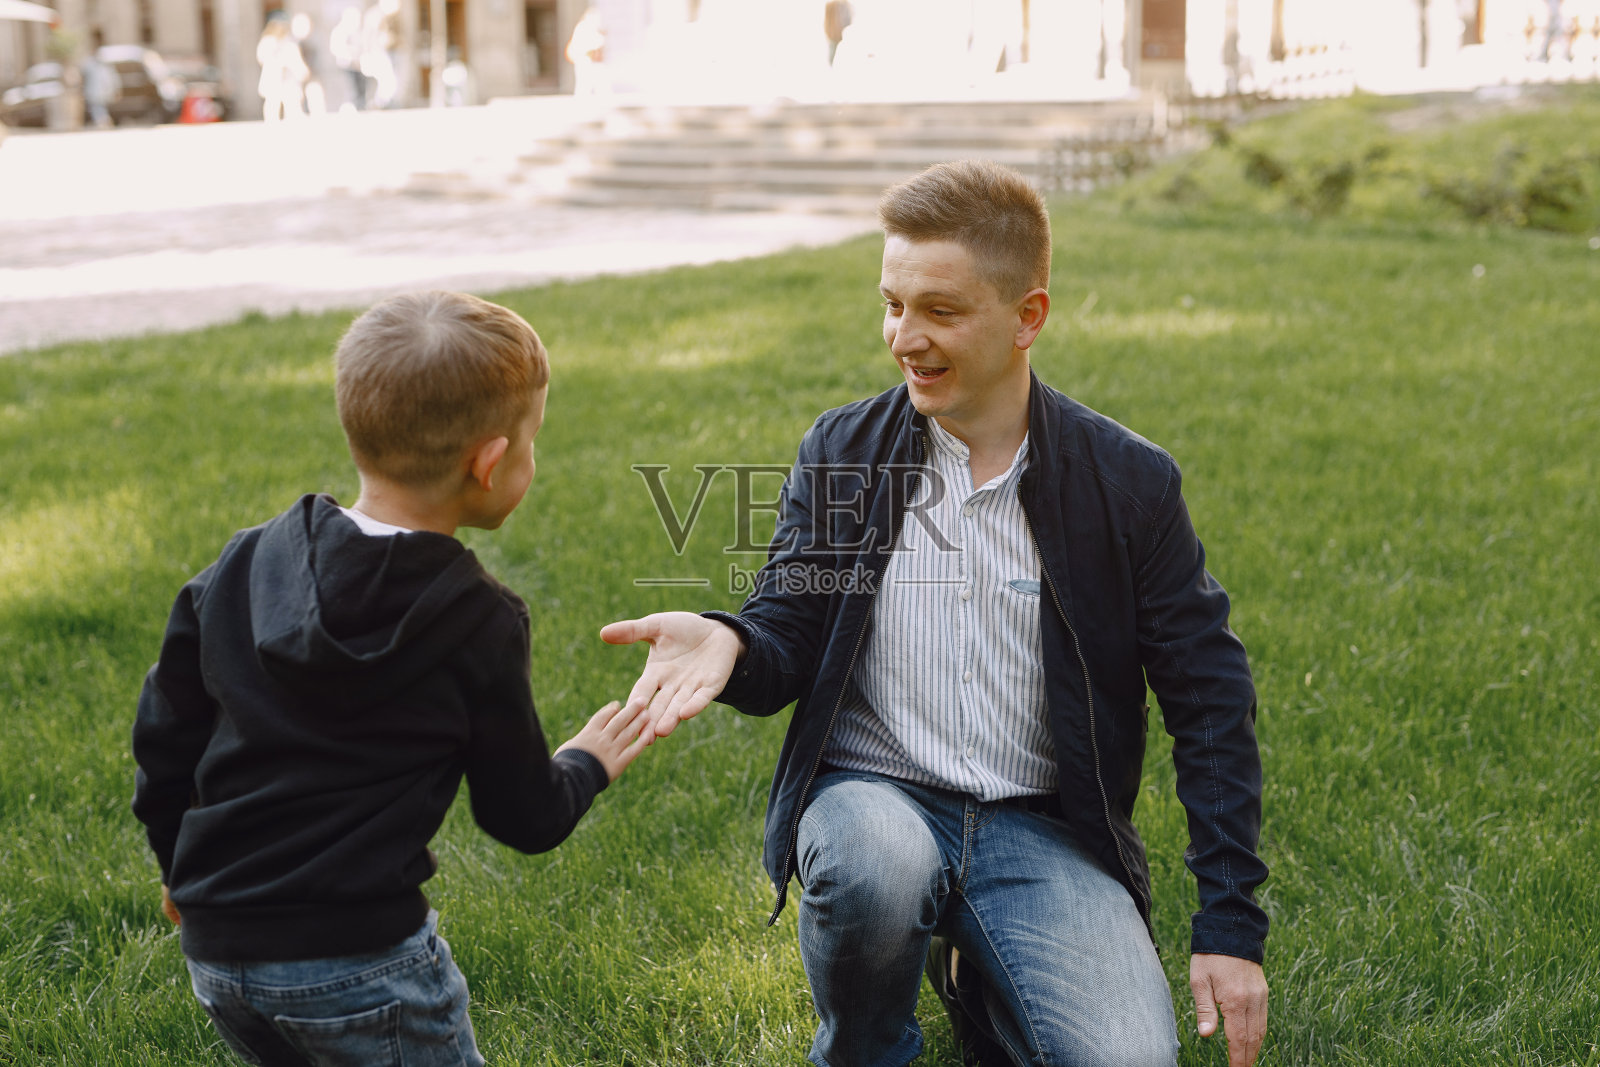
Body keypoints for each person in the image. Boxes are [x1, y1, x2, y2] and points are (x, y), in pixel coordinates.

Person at [602, 160, 1270, 1067]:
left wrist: (1228, 920)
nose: (904, 337)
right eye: (892, 304)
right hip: (876, 799)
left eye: (940, 311)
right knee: (871, 865)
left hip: (1041, 829)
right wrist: (729, 639)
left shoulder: (1128, 484)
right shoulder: (844, 450)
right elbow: (786, 637)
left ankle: (971, 974)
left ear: (1028, 316)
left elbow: (1208, 697)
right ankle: (867, 1048)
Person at [131, 291, 653, 1065]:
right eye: (532, 440)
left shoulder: (247, 561)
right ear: (488, 462)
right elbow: (523, 817)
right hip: (362, 965)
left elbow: (164, 734)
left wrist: (178, 865)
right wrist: (587, 762)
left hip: (219, 953)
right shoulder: (478, 620)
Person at [255, 12, 308, 121]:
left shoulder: (288, 41)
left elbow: (295, 58)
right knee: (273, 103)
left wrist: (300, 70)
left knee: (291, 102)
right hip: (273, 76)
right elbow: (262, 57)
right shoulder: (268, 41)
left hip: (288, 77)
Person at [329, 6, 367, 109]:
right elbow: (336, 48)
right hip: (346, 66)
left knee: (361, 89)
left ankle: (361, 107)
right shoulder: (339, 31)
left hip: (358, 66)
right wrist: (351, 53)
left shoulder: (358, 31)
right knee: (350, 90)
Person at [79, 52, 120, 129]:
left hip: (98, 92)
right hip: (98, 91)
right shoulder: (96, 67)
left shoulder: (102, 67)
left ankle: (103, 120)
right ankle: (103, 121)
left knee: (97, 107)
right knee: (98, 107)